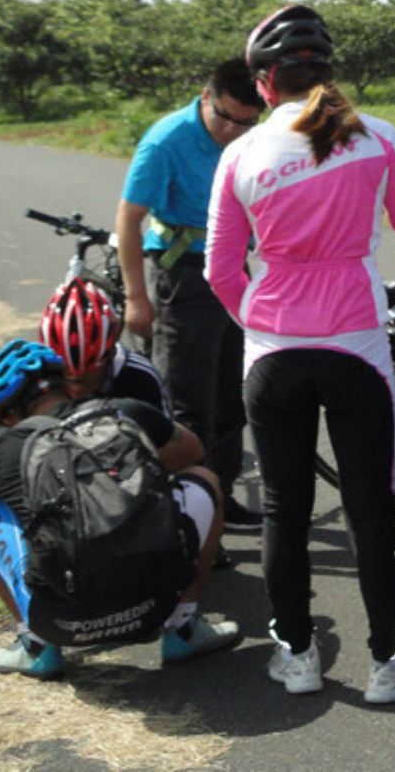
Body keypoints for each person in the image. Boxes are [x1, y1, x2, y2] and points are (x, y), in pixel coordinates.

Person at [206, 4, 395, 703]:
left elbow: (219, 270)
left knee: (285, 507)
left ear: (263, 83)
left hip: (272, 353)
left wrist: (254, 318)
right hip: (357, 348)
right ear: (328, 72)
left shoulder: (242, 153)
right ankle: (389, 660)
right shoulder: (377, 137)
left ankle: (298, 657)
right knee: (372, 507)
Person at [0, 339, 239, 679]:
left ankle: (37, 647)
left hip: (62, 620)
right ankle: (183, 628)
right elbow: (191, 450)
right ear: (65, 385)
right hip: (152, 604)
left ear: (9, 414)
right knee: (203, 478)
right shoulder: (122, 410)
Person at [116, 58, 265, 530]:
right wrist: (136, 297)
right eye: (224, 116)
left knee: (231, 398)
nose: (232, 130)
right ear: (206, 97)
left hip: (232, 274)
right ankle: (187, 522)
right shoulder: (166, 141)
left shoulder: (250, 137)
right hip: (182, 275)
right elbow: (128, 219)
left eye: (245, 121)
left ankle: (219, 501)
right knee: (186, 405)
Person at [39, 277, 172, 416]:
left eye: (86, 380)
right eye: (66, 379)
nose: (76, 392)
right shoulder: (34, 381)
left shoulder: (141, 378)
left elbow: (170, 435)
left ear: (110, 354)